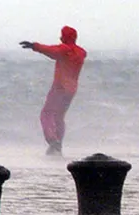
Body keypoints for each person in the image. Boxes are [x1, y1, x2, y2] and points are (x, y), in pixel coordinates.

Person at [20, 26, 87, 156]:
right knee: (59, 117)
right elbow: (56, 50)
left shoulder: (64, 50)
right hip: (71, 89)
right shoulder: (80, 52)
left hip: (60, 87)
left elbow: (51, 51)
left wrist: (34, 46)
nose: (60, 37)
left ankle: (53, 141)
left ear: (64, 37)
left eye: (61, 35)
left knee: (46, 114)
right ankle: (58, 144)